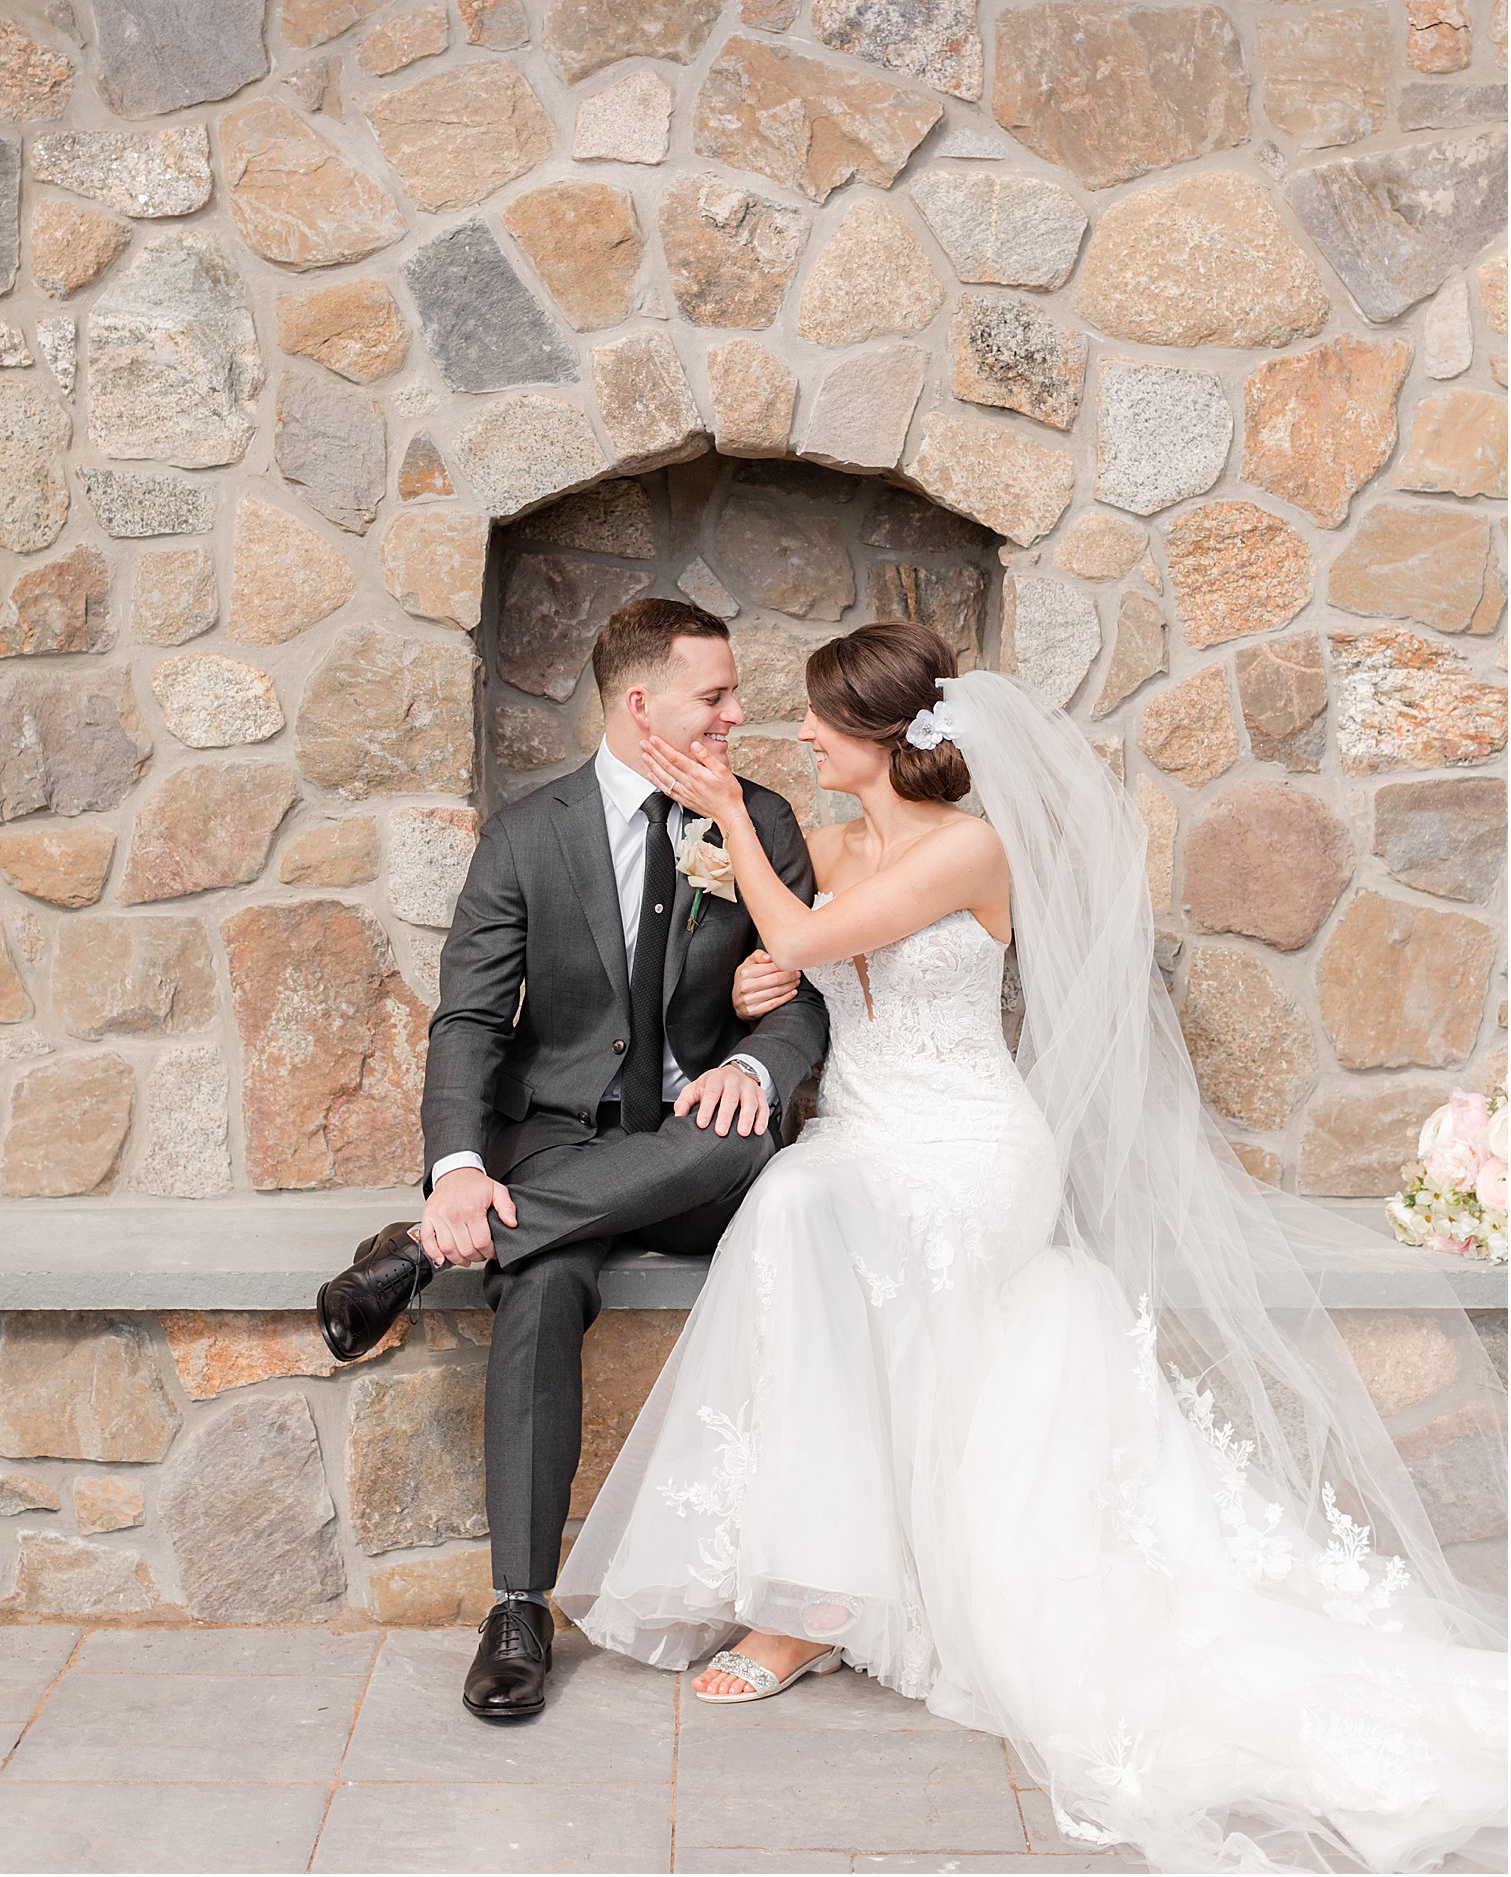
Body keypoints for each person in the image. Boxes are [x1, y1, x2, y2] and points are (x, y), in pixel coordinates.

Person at [555, 621, 1508, 1874]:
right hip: (861, 1132)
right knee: (798, 1203)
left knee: (794, 1210)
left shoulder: (969, 849)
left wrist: (738, 837)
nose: (797, 737)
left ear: (884, 742)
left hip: (964, 1151)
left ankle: (812, 1606)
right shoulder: (832, 844)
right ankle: (813, 1590)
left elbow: (799, 938)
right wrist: (746, 991)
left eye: (820, 724)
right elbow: (776, 954)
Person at [317, 598, 827, 1722]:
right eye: (716, 696)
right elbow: (468, 1021)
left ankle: (416, 1256)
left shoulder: (760, 822)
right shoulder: (527, 833)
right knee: (537, 1284)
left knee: (728, 1144)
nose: (737, 714)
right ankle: (517, 1611)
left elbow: (809, 994)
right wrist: (457, 1167)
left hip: (704, 1141)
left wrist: (754, 1067)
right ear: (641, 706)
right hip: (553, 1142)